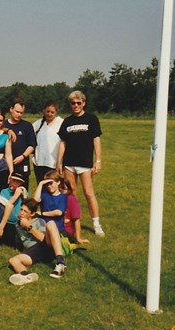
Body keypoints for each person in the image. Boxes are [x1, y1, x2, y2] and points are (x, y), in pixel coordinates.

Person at [57, 90, 104, 236]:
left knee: (89, 193)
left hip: (85, 163)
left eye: (78, 103)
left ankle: (96, 224)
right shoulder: (67, 121)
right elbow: (62, 143)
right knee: (71, 194)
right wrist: (59, 162)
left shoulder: (91, 119)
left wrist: (98, 161)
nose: (76, 105)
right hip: (69, 163)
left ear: (83, 103)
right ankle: (72, 222)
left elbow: (96, 140)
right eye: (73, 103)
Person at [8, 197, 68, 285]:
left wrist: (29, 227)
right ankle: (26, 276)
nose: (21, 213)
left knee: (51, 223)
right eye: (21, 210)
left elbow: (42, 238)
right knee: (13, 260)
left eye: (25, 211)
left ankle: (60, 262)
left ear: (32, 214)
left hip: (44, 246)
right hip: (32, 251)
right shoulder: (18, 224)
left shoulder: (39, 221)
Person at [3, 99, 37, 189]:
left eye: (21, 113)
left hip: (22, 164)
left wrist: (23, 156)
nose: (19, 115)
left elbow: (32, 145)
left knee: (23, 191)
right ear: (11, 109)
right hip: (5, 165)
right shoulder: (3, 124)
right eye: (17, 112)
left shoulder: (27, 125)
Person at [32, 100, 64, 182]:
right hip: (39, 163)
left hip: (54, 163)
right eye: (47, 111)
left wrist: (60, 163)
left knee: (53, 189)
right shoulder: (38, 124)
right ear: (44, 110)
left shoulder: (61, 123)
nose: (49, 114)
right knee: (41, 188)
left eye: (52, 112)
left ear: (56, 112)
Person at [33, 169, 67, 234]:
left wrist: (42, 213)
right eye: (47, 184)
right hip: (44, 228)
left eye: (51, 183)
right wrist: (41, 184)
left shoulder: (62, 197)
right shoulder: (45, 195)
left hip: (58, 229)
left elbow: (58, 212)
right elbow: (36, 200)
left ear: (58, 182)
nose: (49, 186)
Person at [0, 172, 28, 248]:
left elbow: (29, 207)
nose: (15, 183)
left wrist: (24, 195)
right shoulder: (4, 192)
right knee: (8, 242)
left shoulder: (23, 193)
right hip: (8, 222)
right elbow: (6, 205)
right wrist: (16, 195)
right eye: (14, 180)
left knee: (18, 243)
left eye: (18, 182)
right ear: (10, 180)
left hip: (19, 222)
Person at [62, 180, 89, 245]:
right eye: (59, 188)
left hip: (66, 230)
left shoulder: (71, 199)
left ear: (68, 189)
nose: (61, 191)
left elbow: (76, 219)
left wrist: (78, 237)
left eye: (63, 188)